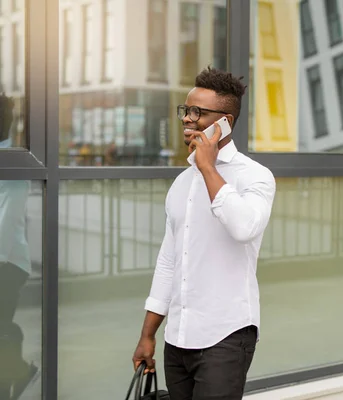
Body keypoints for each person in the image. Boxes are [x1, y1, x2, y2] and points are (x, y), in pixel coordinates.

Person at [132, 67, 276, 400]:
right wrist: (148, 335)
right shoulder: (182, 183)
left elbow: (243, 227)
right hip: (177, 339)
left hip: (225, 335)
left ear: (224, 121)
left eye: (198, 112)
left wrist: (208, 165)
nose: (187, 119)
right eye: (186, 110)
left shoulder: (255, 177)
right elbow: (169, 262)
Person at [0, 92, 39, 400]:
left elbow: (8, 222)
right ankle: (18, 373)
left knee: (3, 327)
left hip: (8, 261)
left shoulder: (12, 161)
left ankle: (16, 375)